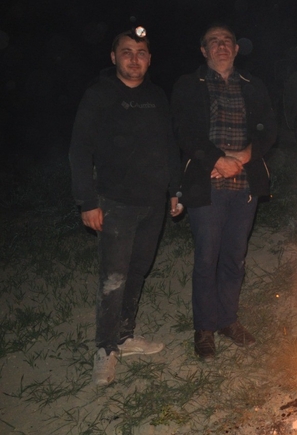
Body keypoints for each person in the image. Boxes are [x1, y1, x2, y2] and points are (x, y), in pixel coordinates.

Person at [69, 27, 183, 385]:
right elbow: (78, 150)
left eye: (142, 52)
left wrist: (175, 189)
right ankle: (104, 350)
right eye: (127, 52)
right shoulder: (99, 94)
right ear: (114, 57)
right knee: (113, 278)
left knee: (138, 271)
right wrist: (87, 202)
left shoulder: (156, 96)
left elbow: (169, 145)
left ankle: (125, 335)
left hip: (153, 203)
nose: (135, 59)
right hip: (115, 203)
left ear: (150, 59)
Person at [172, 23, 277, 360]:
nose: (221, 46)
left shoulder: (253, 85)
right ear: (204, 51)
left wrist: (245, 157)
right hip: (208, 184)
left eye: (227, 41)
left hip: (244, 184)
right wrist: (216, 159)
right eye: (213, 42)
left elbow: (268, 129)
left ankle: (228, 320)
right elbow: (184, 132)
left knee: (235, 256)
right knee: (207, 257)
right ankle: (204, 328)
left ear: (235, 49)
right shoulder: (190, 85)